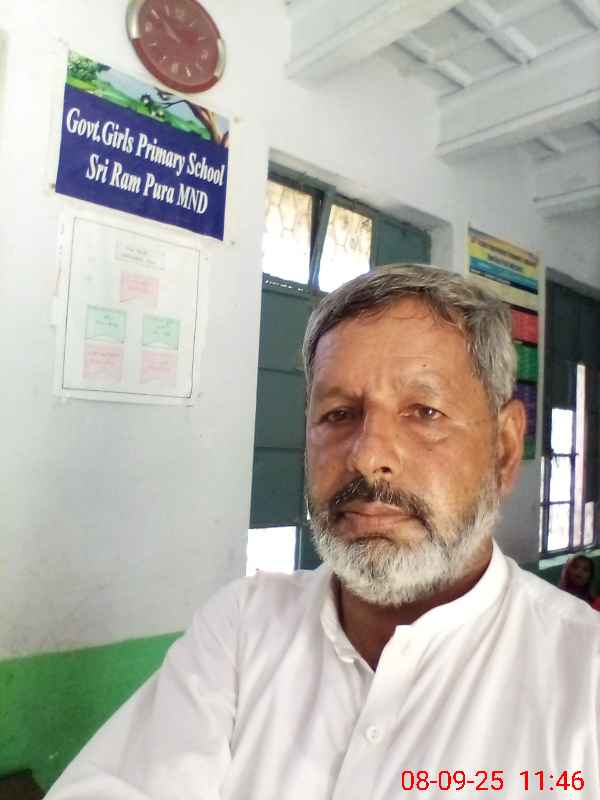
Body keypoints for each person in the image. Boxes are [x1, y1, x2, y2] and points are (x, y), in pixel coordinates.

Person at [46, 265, 600, 800]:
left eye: (424, 412)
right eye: (338, 414)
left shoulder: (584, 678)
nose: (366, 457)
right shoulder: (245, 628)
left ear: (504, 449)